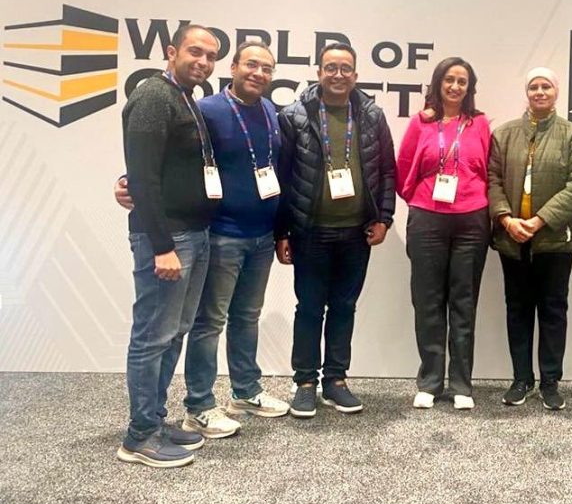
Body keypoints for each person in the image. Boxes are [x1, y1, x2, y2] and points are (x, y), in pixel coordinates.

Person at [115, 41, 291, 439]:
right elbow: (160, 157)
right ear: (234, 66)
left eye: (267, 68)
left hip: (261, 235)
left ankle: (245, 391)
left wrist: (281, 229)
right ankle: (199, 405)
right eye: (251, 64)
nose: (258, 73)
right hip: (221, 233)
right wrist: (126, 182)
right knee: (207, 323)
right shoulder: (205, 109)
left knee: (246, 316)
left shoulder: (270, 111)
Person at [275, 42, 396, 419]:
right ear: (319, 72)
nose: (338, 74)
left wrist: (384, 218)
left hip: (357, 232)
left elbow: (387, 171)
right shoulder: (294, 116)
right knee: (310, 308)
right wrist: (281, 231)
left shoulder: (372, 116)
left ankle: (336, 380)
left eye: (345, 68)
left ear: (355, 75)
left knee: (344, 307)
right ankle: (305, 383)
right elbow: (282, 175)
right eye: (331, 67)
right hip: (310, 231)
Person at [116, 25, 219, 467]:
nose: (203, 61)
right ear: (172, 51)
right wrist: (161, 246)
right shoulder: (154, 97)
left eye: (211, 56)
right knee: (152, 336)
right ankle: (140, 436)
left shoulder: (185, 98)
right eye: (196, 51)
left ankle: (155, 419)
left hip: (194, 233)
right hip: (167, 238)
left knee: (174, 332)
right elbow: (142, 174)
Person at [488, 68, 572, 410]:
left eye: (546, 86)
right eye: (533, 86)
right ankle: (521, 379)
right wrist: (506, 218)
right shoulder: (503, 134)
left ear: (556, 92)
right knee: (517, 309)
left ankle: (550, 382)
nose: (539, 91)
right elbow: (491, 181)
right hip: (512, 238)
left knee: (553, 309)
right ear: (527, 92)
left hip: (555, 239)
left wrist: (538, 221)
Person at [396, 57, 491, 410]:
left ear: (469, 88)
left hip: (471, 220)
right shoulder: (420, 123)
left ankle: (462, 384)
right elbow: (403, 167)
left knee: (464, 302)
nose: (455, 86)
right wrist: (421, 199)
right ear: (438, 83)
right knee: (428, 301)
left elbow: (489, 168)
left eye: (462, 81)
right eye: (449, 79)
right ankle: (430, 381)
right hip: (427, 220)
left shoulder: (480, 124)